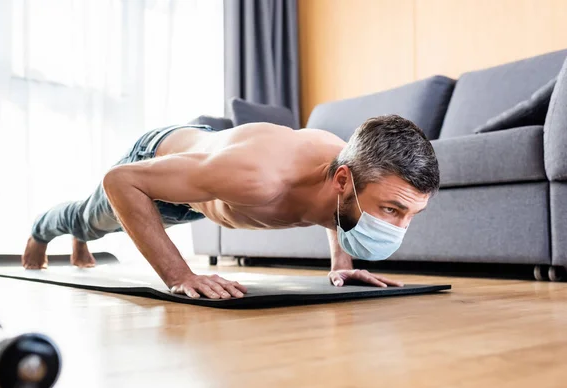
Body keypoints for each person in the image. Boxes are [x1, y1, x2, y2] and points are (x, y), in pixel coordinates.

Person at [22, 114, 440, 300]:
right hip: (161, 163)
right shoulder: (259, 175)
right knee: (90, 220)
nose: (399, 228)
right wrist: (179, 275)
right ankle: (42, 232)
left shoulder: (342, 173)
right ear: (343, 181)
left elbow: (338, 213)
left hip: (210, 184)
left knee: (96, 228)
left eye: (409, 215)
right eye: (391, 210)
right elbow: (122, 181)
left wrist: (340, 264)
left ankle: (81, 239)